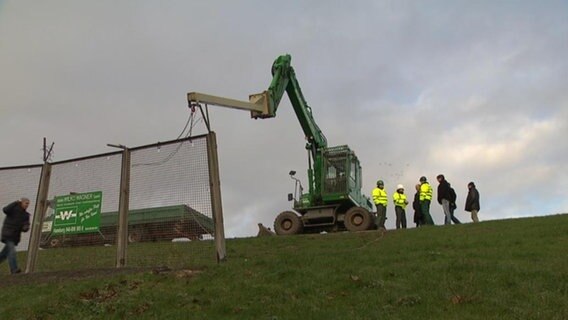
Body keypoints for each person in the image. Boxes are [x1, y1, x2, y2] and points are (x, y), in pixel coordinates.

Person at [0, 198, 31, 274]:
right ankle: (14, 269)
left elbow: (26, 225)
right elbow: (5, 210)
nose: (27, 205)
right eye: (26, 203)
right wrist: (15, 202)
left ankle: (14, 269)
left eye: (28, 203)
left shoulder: (26, 215)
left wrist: (26, 227)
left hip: (15, 237)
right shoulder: (13, 209)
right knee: (12, 251)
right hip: (8, 234)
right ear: (21, 203)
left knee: (4, 254)